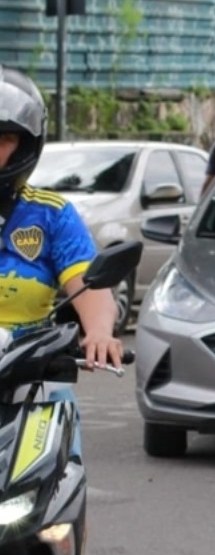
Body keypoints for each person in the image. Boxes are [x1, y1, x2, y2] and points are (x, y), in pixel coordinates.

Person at [0, 65, 124, 458]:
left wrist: (99, 332)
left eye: (3, 139)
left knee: (60, 475)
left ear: (25, 146)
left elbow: (89, 284)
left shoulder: (52, 215)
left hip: (33, 382)